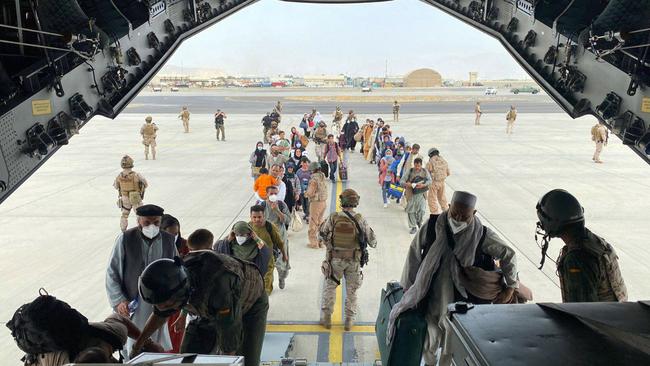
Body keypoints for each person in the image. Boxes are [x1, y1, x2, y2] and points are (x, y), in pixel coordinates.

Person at [393, 191, 521, 366]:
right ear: (449, 206)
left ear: (474, 213)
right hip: (431, 293)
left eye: (464, 216)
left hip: (462, 298)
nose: (458, 218)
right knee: (429, 337)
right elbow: (414, 253)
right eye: (454, 213)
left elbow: (509, 254)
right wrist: (409, 285)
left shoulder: (482, 235)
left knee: (452, 342)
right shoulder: (432, 226)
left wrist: (511, 286)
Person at [133, 251, 268, 366]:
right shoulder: (173, 280)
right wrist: (138, 345)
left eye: (168, 305)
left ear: (182, 293)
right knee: (188, 356)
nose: (164, 309)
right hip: (209, 306)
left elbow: (229, 342)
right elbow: (160, 314)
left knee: (246, 360)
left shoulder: (219, 287)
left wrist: (228, 359)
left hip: (250, 304)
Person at [105, 204, 177, 357]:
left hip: (159, 305)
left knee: (156, 348)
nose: (152, 226)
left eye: (156, 223)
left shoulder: (169, 241)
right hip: (133, 306)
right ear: (138, 221)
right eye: (147, 223)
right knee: (132, 347)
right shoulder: (125, 239)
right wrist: (119, 301)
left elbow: (176, 271)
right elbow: (112, 272)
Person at [535, 189, 627, 302]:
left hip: (600, 318)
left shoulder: (577, 258)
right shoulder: (595, 242)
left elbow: (581, 309)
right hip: (616, 315)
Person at [319, 189, 377, 331]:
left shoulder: (333, 217)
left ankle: (326, 318)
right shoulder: (359, 219)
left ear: (342, 201)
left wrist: (329, 245)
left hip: (335, 260)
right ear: (355, 202)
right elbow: (372, 241)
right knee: (352, 291)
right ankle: (349, 320)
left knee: (330, 287)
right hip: (354, 261)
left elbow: (321, 235)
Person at [250, 205, 288, 294]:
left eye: (259, 217)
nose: (257, 219)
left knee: (266, 281)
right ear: (250, 217)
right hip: (254, 259)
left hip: (268, 259)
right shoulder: (248, 227)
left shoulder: (270, 227)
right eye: (254, 217)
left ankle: (265, 296)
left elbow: (279, 242)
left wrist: (284, 255)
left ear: (264, 216)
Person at [261, 185, 291, 289]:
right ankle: (268, 286)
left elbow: (287, 220)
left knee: (282, 264)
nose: (273, 195)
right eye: (271, 193)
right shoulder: (261, 206)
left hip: (280, 238)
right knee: (267, 265)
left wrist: (277, 210)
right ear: (266, 194)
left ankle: (281, 277)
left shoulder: (282, 205)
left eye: (275, 193)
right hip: (267, 239)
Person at [114, 155, 148, 232]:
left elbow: (116, 186)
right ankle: (141, 229)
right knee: (139, 214)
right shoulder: (136, 175)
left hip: (124, 197)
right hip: (135, 197)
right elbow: (145, 184)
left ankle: (123, 230)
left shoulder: (119, 176)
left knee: (124, 215)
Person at [401, 158, 431, 234]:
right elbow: (402, 181)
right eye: (416, 166)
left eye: (419, 166)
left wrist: (423, 185)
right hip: (411, 194)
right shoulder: (410, 171)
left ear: (421, 165)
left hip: (422, 194)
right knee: (411, 211)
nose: (417, 168)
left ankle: (419, 221)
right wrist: (407, 184)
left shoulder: (425, 171)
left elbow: (429, 180)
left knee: (422, 210)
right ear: (414, 165)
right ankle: (413, 226)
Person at [304, 162, 328, 249]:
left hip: (316, 203)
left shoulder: (314, 180)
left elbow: (310, 192)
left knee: (313, 222)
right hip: (323, 202)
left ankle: (314, 243)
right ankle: (321, 242)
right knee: (320, 223)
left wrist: (305, 194)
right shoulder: (322, 177)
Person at [426, 148, 450, 215]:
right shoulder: (444, 161)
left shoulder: (430, 162)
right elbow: (448, 173)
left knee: (432, 199)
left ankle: (435, 214)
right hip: (442, 183)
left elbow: (425, 173)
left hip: (434, 183)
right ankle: (446, 212)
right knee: (442, 198)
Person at [296, 158, 312, 222]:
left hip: (309, 191)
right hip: (301, 191)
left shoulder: (310, 171)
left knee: (308, 204)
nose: (305, 165)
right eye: (303, 163)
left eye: (306, 163)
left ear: (308, 163)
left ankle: (308, 215)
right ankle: (306, 213)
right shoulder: (298, 171)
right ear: (301, 163)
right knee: (303, 204)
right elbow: (296, 181)